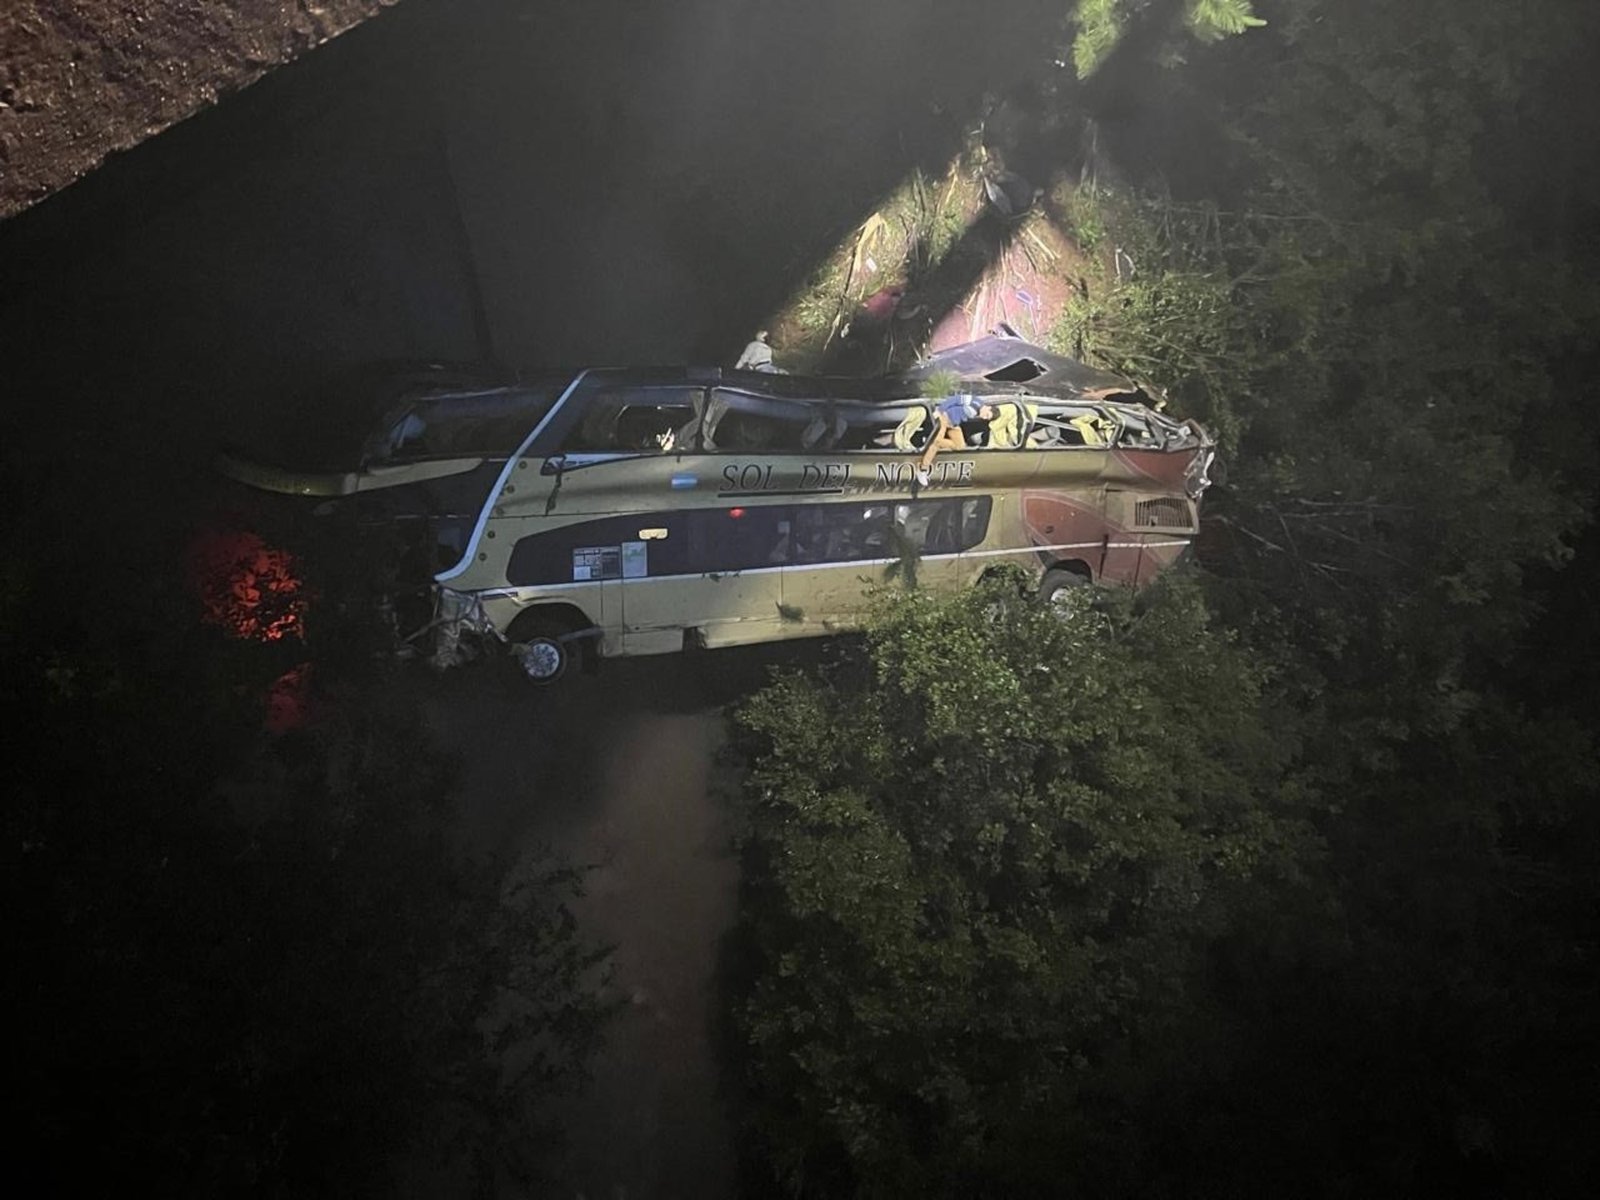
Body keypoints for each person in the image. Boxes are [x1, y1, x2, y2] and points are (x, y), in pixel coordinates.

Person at [916, 394, 994, 485]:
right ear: (988, 408)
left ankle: (935, 441)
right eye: (987, 415)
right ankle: (922, 469)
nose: (984, 417)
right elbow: (955, 399)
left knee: (960, 446)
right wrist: (940, 410)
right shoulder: (974, 402)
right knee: (936, 444)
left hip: (954, 424)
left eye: (987, 418)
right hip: (944, 418)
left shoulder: (978, 412)